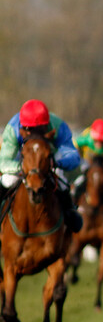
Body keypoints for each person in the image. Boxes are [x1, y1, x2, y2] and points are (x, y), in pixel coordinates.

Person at [0, 99, 83, 232]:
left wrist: (56, 163)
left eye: (39, 129)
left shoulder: (58, 125)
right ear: (23, 127)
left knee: (61, 180)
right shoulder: (13, 127)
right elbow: (3, 161)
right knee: (7, 179)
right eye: (29, 130)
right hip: (23, 160)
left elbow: (73, 156)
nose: (34, 133)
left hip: (48, 158)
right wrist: (23, 168)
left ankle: (69, 213)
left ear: (46, 125)